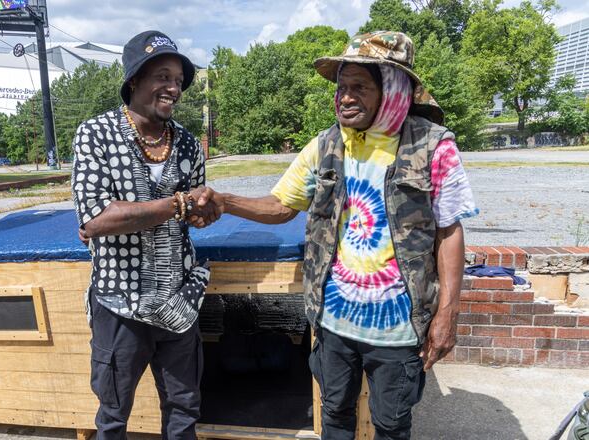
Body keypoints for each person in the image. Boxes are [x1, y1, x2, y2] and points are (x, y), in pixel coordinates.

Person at [196, 31, 478, 439]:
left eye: (359, 88)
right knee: (335, 415)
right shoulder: (327, 144)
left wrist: (448, 315)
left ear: (392, 88)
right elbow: (281, 206)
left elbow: (450, 231)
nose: (344, 97)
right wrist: (223, 200)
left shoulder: (433, 147)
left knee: (392, 423)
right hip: (333, 319)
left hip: (398, 326)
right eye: (341, 87)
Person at [71, 30, 219, 440]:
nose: (172, 87)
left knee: (184, 409)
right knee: (113, 415)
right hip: (119, 304)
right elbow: (97, 217)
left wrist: (201, 213)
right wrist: (178, 204)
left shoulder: (188, 144)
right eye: (162, 76)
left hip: (177, 301)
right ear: (134, 79)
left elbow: (192, 216)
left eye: (177, 80)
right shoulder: (95, 134)